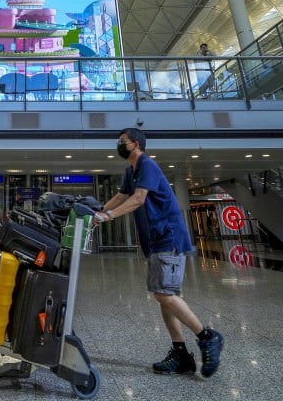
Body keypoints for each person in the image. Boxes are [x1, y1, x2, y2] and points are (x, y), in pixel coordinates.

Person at [91, 128, 223, 378]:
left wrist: (108, 216)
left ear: (136, 144)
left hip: (167, 236)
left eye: (123, 142)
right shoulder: (131, 170)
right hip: (154, 240)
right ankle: (180, 353)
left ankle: (208, 337)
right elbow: (123, 195)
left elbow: (139, 199)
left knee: (164, 294)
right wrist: (98, 210)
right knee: (165, 295)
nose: (119, 145)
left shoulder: (147, 165)